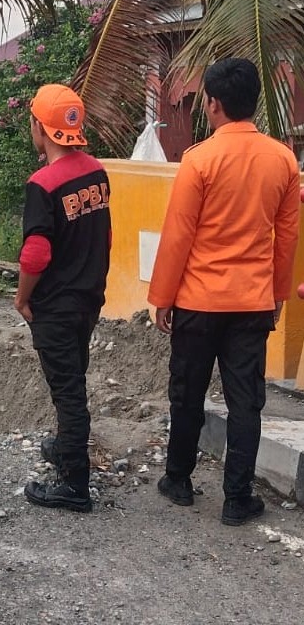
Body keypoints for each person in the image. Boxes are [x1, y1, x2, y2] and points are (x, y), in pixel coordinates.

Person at [148, 57, 299, 526]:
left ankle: (178, 479)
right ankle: (237, 499)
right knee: (245, 402)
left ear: (213, 104)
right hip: (251, 303)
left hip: (197, 301)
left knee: (187, 393)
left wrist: (163, 297)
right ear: (253, 101)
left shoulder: (199, 160)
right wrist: (277, 293)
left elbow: (178, 236)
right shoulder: (283, 160)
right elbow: (287, 237)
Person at [14, 83, 111, 513]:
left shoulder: (43, 184)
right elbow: (104, 235)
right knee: (74, 376)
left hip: (56, 305)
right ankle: (65, 446)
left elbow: (36, 253)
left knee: (68, 392)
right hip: (89, 298)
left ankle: (73, 483)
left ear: (40, 127)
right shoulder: (96, 172)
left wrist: (22, 298)